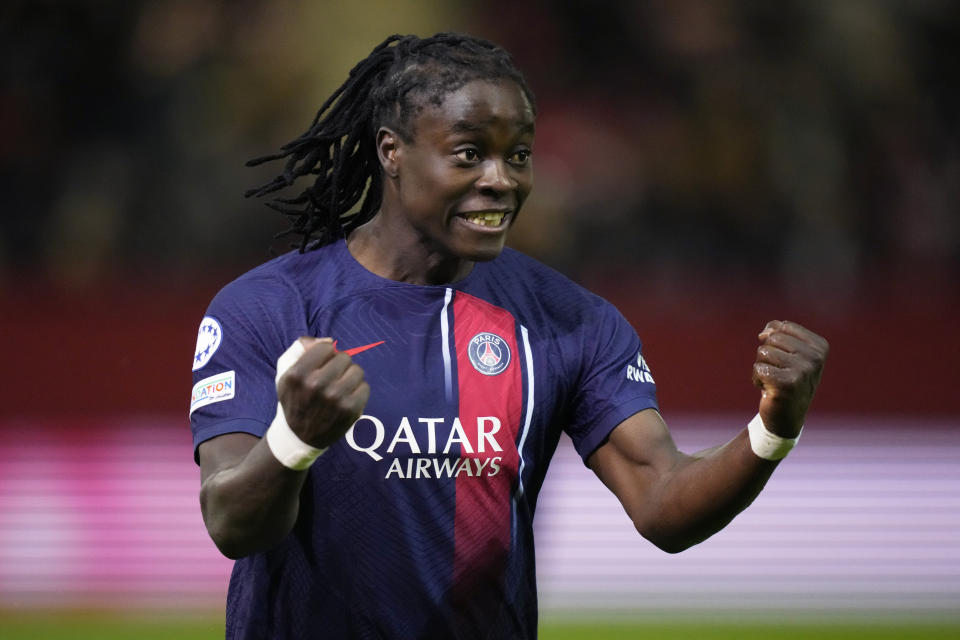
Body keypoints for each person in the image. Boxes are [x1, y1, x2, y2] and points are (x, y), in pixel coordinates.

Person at [189, 32, 828, 639]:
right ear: (392, 151)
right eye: (470, 153)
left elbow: (663, 504)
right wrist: (293, 440)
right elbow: (232, 523)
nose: (502, 179)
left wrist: (773, 428)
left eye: (518, 155)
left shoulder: (571, 321)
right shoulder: (268, 308)